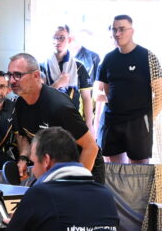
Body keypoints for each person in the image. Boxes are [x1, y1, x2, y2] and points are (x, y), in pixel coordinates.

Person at [7, 53, 105, 184]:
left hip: (85, 165)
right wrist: (24, 158)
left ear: (36, 75)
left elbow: (91, 147)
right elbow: (24, 137)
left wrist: (77, 183)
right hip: (55, 165)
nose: (12, 80)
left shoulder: (59, 107)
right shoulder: (20, 104)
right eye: (9, 75)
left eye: (18, 75)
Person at [94, 15, 162, 164]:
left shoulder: (148, 57)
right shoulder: (108, 59)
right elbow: (99, 92)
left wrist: (146, 119)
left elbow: (161, 95)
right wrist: (117, 100)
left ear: (132, 31)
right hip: (113, 122)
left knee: (139, 171)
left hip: (138, 124)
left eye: (121, 29)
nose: (117, 34)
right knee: (115, 171)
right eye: (114, 30)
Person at [40, 25, 93, 130]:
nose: (57, 41)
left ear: (69, 40)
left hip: (74, 120)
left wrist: (89, 125)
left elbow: (87, 98)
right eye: (54, 37)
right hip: (49, 121)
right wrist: (58, 84)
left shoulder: (78, 67)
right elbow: (40, 98)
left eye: (62, 37)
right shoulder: (42, 66)